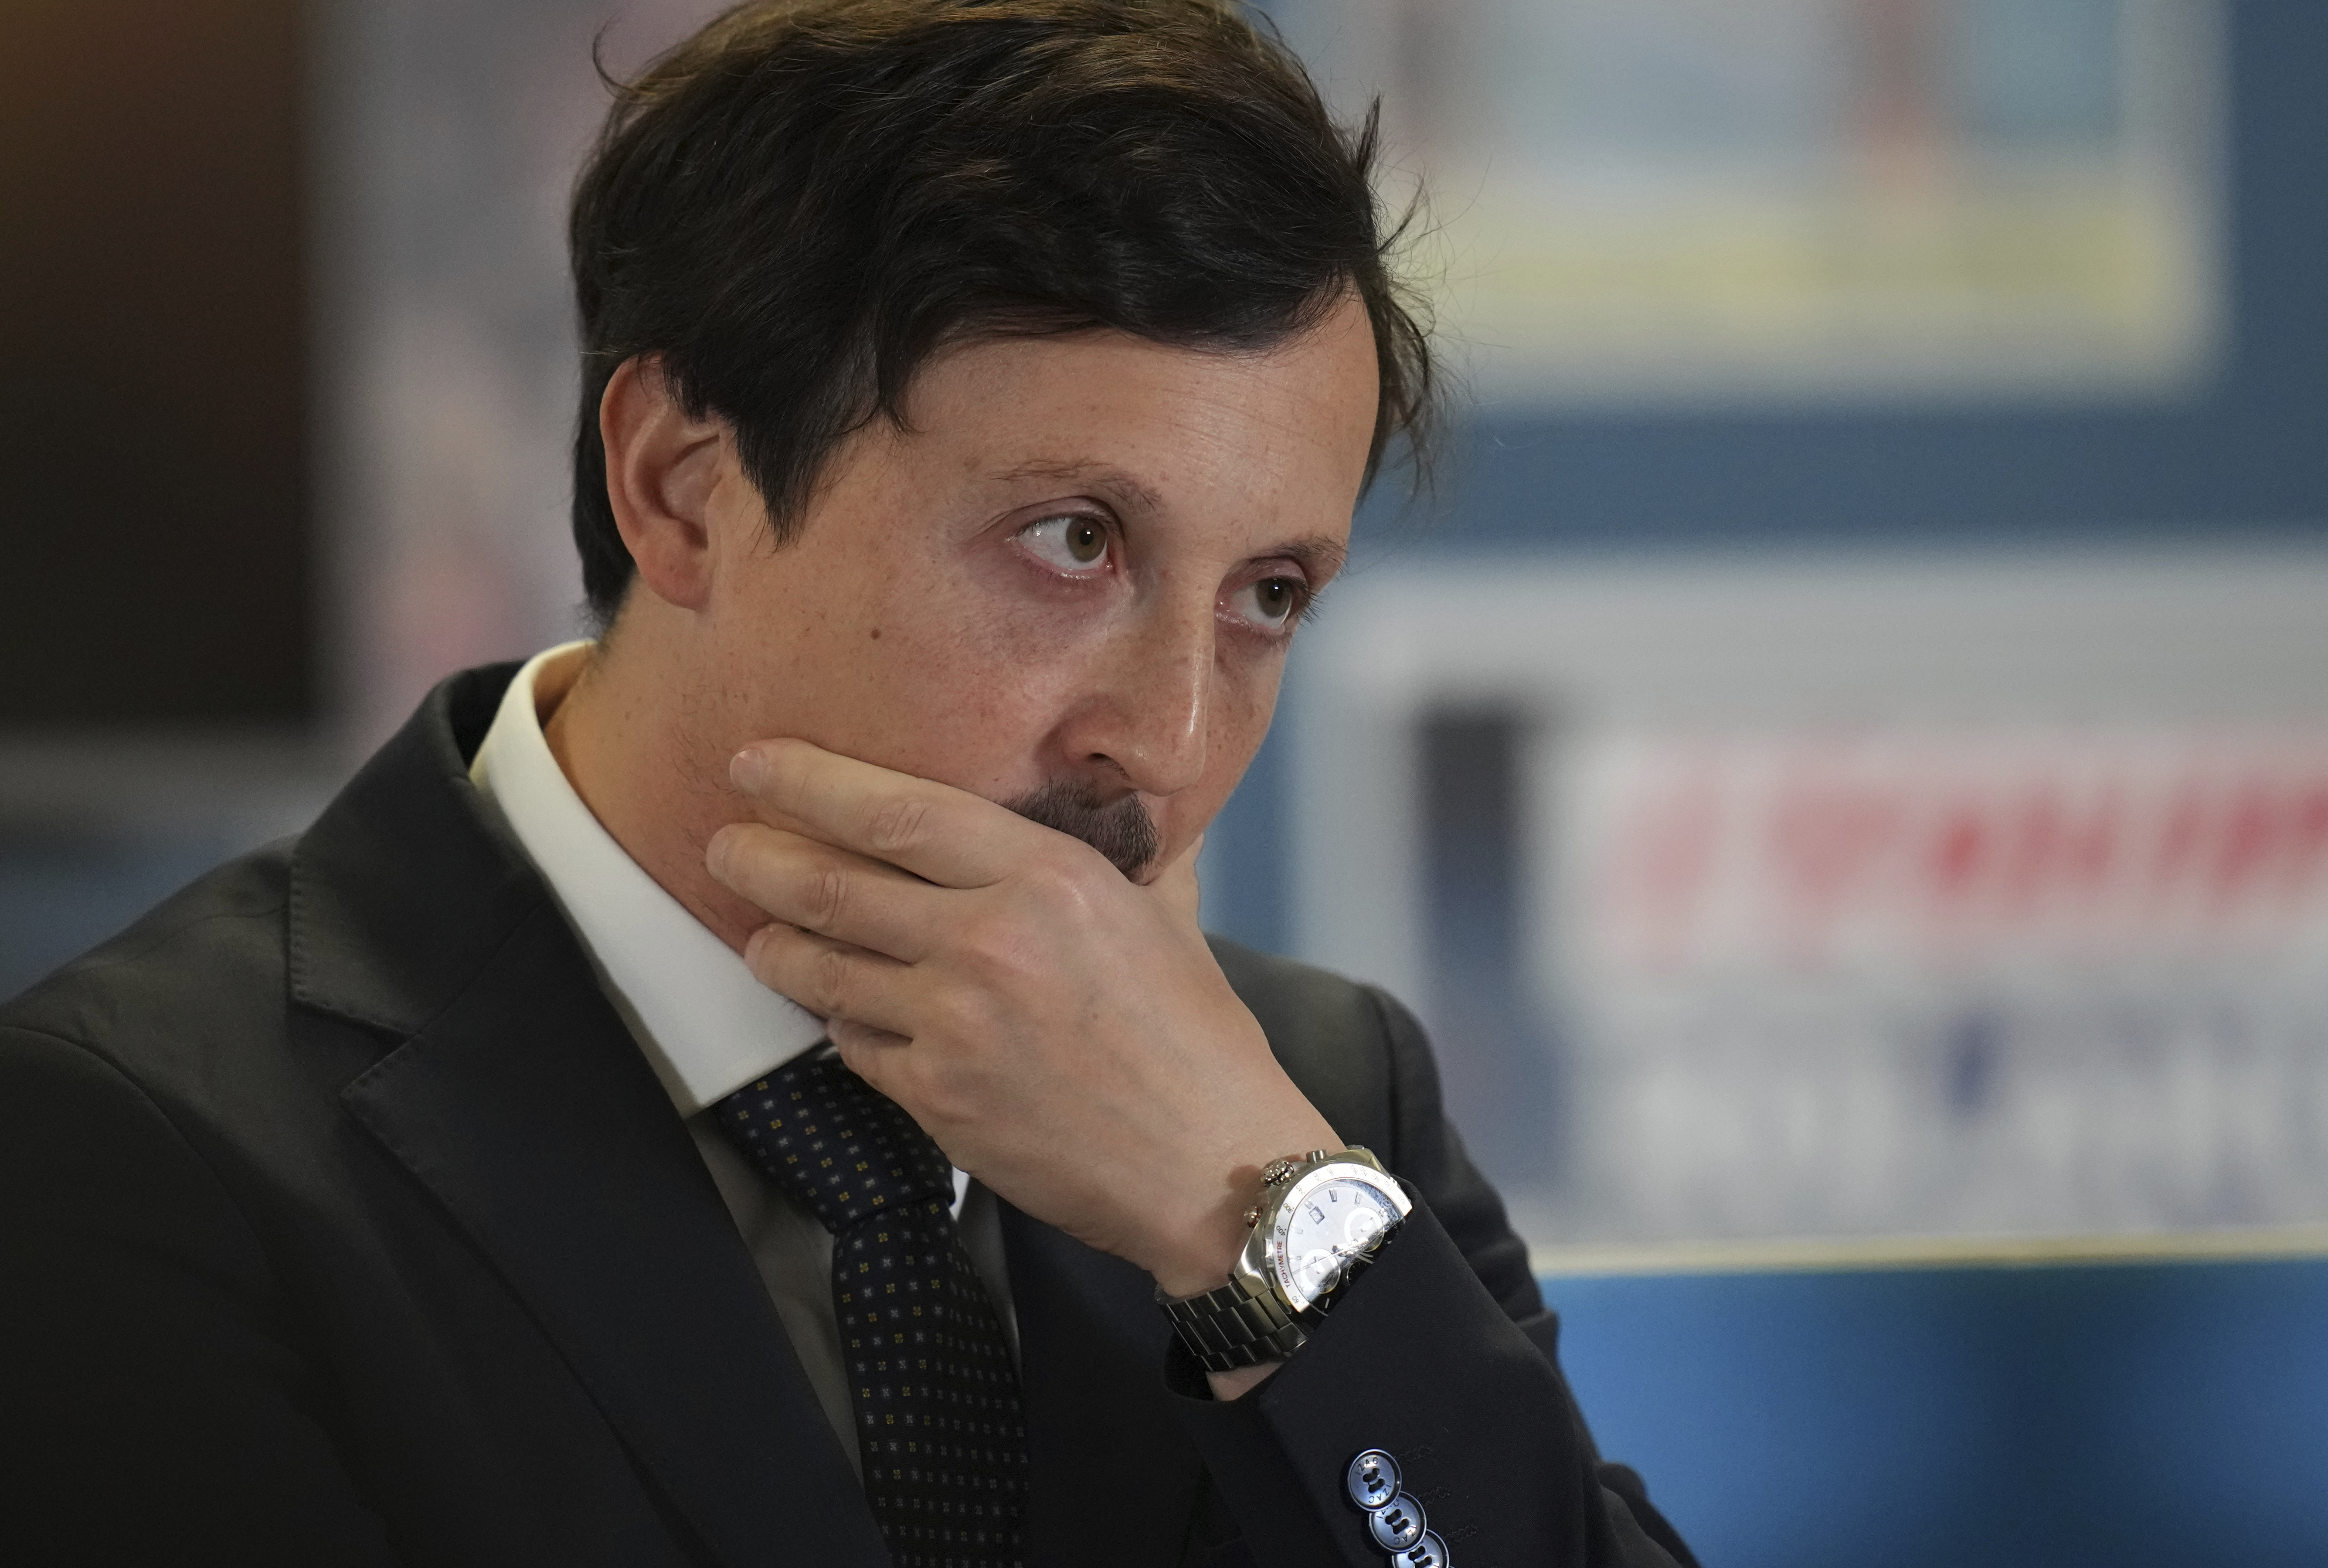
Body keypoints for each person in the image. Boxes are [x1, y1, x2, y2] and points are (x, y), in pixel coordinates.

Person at [0, 2, 1696, 1564]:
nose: (1168, 741)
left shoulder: (1305, 1108)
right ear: (681, 489)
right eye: (1073, 540)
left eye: (1267, 596)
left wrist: (1244, 1228)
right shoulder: (129, 1145)